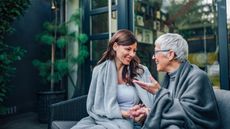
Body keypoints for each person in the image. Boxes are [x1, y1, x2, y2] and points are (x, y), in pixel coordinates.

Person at [132, 33, 221, 129]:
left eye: (156, 52)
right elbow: (172, 109)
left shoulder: (197, 77)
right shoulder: (169, 78)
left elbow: (187, 114)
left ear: (170, 54)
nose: (153, 57)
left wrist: (159, 92)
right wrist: (148, 113)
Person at [70, 29, 154, 129]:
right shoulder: (100, 70)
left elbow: (151, 102)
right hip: (102, 118)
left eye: (134, 50)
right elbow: (94, 105)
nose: (132, 54)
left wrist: (143, 113)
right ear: (115, 46)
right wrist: (124, 113)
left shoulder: (141, 71)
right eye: (128, 49)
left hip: (129, 121)